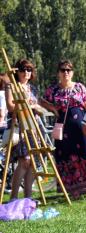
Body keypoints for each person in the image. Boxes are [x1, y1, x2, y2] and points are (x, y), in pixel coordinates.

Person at [40, 60, 86, 198]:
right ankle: (72, 189)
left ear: (72, 72)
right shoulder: (53, 90)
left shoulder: (79, 87)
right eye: (63, 70)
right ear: (58, 73)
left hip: (80, 128)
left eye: (69, 70)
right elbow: (41, 101)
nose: (66, 72)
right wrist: (53, 108)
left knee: (85, 154)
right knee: (65, 156)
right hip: (63, 129)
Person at [4, 59, 42, 200]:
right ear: (17, 71)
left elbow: (37, 106)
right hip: (20, 127)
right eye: (23, 69)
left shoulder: (33, 89)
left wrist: (38, 108)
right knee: (24, 161)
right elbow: (10, 107)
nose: (26, 72)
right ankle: (14, 197)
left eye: (29, 69)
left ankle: (28, 198)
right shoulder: (11, 86)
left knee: (32, 161)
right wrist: (28, 106)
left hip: (34, 127)